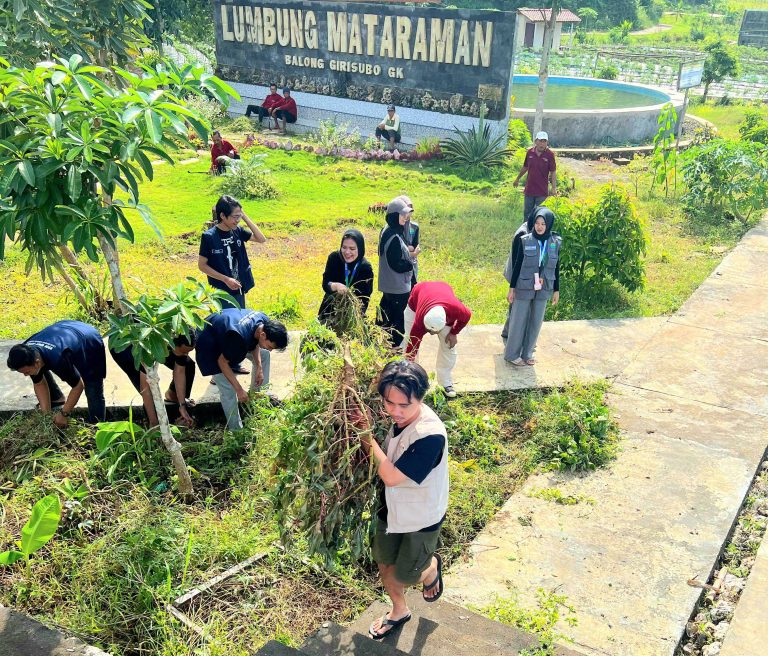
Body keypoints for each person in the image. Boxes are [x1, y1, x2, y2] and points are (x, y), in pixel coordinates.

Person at [357, 360, 448, 639]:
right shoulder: (399, 416)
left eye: (404, 405)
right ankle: (399, 610)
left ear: (420, 398)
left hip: (421, 517)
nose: (395, 412)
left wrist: (365, 436)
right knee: (385, 562)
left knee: (406, 575)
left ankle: (430, 568)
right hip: (390, 507)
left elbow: (393, 477)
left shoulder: (430, 435)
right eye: (389, 403)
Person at [195, 308, 288, 430]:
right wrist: (239, 390)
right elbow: (222, 362)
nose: (270, 349)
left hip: (227, 334)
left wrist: (259, 367)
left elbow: (254, 342)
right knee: (228, 389)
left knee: (264, 355)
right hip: (210, 342)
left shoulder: (263, 321)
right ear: (263, 335)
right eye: (270, 346)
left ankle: (258, 395)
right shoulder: (238, 339)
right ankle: (236, 430)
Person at [7, 320, 106, 426]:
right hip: (63, 329)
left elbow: (78, 386)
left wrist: (64, 414)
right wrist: (46, 417)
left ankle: (97, 427)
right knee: (38, 372)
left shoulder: (58, 359)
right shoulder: (25, 352)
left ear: (37, 362)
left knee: (92, 388)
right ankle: (57, 399)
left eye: (26, 372)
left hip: (88, 338)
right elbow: (39, 383)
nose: (25, 375)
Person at [503, 207, 561, 366]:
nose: (540, 226)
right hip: (524, 285)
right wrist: (512, 288)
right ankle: (512, 355)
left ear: (548, 224)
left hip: (545, 286)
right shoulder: (525, 240)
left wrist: (556, 290)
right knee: (518, 319)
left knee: (536, 321)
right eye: (537, 223)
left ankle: (528, 353)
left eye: (543, 223)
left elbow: (556, 267)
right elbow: (517, 265)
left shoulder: (555, 243)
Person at [109, 334, 197, 427]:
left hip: (160, 342)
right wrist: (154, 423)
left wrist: (182, 406)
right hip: (124, 346)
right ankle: (151, 424)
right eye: (183, 352)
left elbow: (180, 370)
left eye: (188, 352)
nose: (186, 354)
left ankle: (172, 396)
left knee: (188, 364)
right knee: (152, 392)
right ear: (171, 343)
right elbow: (146, 389)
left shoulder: (181, 334)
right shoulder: (146, 352)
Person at [403, 281, 472, 399]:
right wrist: (407, 364)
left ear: (444, 322)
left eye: (433, 332)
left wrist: (454, 332)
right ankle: (411, 377)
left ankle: (445, 382)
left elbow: (467, 316)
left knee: (449, 345)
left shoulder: (457, 310)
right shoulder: (419, 321)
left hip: (443, 290)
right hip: (418, 296)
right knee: (409, 340)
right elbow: (412, 347)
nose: (430, 334)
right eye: (428, 330)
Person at [199, 195, 267, 311]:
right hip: (221, 290)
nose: (238, 220)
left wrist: (244, 216)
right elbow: (202, 265)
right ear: (222, 216)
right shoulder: (209, 237)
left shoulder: (237, 231)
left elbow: (261, 239)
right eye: (235, 217)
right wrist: (225, 279)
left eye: (239, 216)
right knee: (229, 322)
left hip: (238, 287)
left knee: (239, 318)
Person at [376, 197, 415, 346]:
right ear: (394, 216)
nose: (406, 218)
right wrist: (409, 265)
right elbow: (395, 263)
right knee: (398, 318)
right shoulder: (393, 236)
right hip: (397, 285)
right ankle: (394, 344)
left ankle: (382, 339)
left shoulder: (388, 230)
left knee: (386, 312)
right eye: (403, 215)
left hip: (389, 283)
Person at [318, 229, 374, 324]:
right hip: (329, 310)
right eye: (344, 247)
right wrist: (335, 286)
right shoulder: (334, 258)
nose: (347, 252)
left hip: (353, 315)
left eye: (352, 249)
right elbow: (325, 283)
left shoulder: (365, 268)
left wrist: (353, 317)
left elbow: (364, 299)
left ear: (360, 249)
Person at [500, 211, 537, 340]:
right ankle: (511, 333)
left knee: (515, 305)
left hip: (521, 274)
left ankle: (508, 331)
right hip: (516, 274)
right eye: (538, 223)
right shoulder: (523, 234)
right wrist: (514, 285)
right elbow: (517, 261)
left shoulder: (528, 228)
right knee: (515, 303)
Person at [513, 131, 557, 223]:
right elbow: (525, 167)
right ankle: (526, 233)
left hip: (542, 191)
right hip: (529, 189)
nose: (542, 144)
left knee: (540, 214)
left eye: (544, 141)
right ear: (536, 141)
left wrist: (553, 188)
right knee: (527, 214)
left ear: (547, 143)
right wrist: (517, 179)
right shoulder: (530, 152)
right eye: (540, 141)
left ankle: (536, 234)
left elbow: (553, 172)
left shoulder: (550, 155)